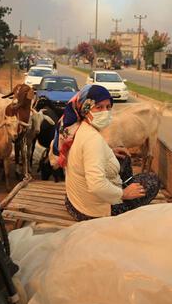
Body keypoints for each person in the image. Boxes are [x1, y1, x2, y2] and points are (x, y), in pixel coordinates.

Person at [52, 84, 160, 220]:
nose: (105, 112)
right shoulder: (93, 140)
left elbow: (85, 155)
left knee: (124, 158)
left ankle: (127, 184)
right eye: (99, 107)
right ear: (86, 109)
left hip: (74, 202)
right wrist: (123, 194)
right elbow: (96, 185)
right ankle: (126, 193)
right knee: (153, 181)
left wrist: (109, 152)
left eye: (108, 107)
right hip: (92, 212)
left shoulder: (76, 129)